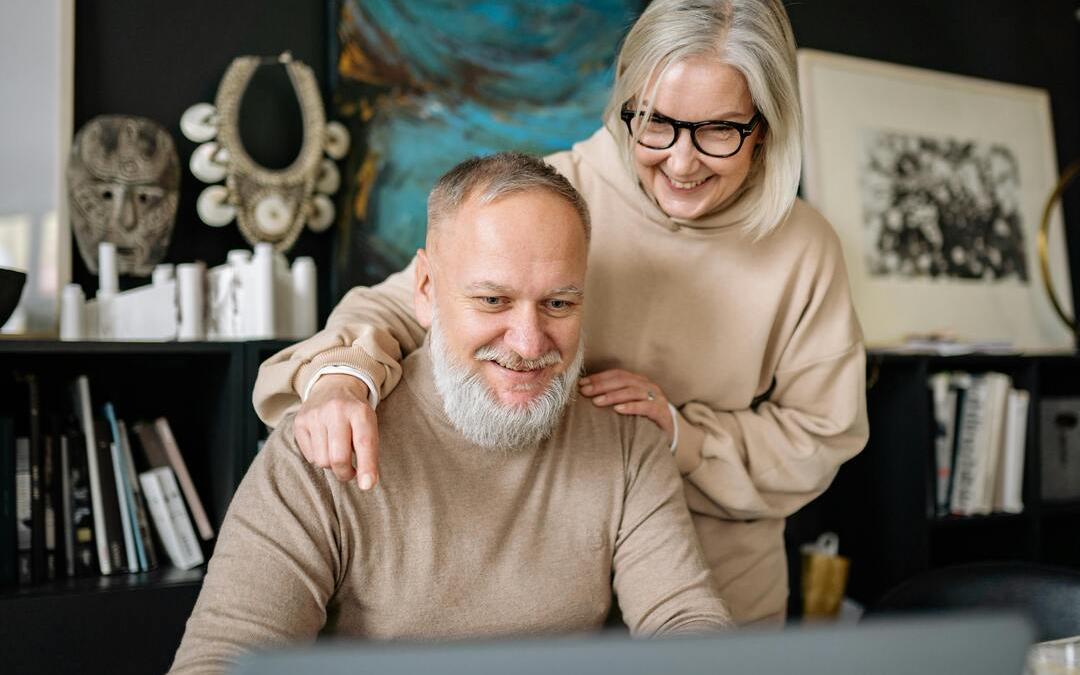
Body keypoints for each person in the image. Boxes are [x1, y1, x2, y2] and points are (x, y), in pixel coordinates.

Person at [254, 0, 868, 625]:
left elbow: (823, 435)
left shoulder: (804, 248)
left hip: (716, 589)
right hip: (553, 575)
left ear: (763, 127)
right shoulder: (560, 195)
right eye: (657, 124)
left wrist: (682, 436)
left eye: (718, 131)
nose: (682, 163)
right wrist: (340, 376)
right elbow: (406, 303)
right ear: (628, 103)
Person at [170, 154, 731, 674]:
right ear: (426, 291)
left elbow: (684, 620)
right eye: (493, 300)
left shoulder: (627, 438)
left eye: (559, 303)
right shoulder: (328, 439)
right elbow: (221, 660)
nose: (530, 342)